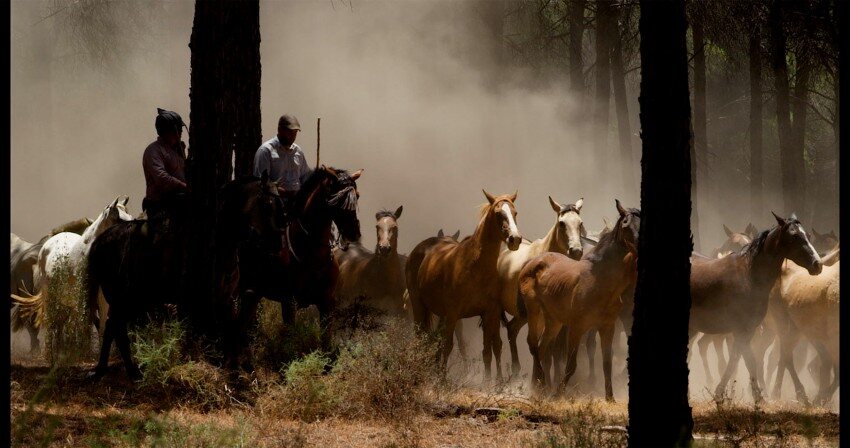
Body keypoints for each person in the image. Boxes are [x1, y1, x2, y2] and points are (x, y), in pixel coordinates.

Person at [142, 108, 189, 240]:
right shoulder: (153, 150)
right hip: (161, 204)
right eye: (177, 130)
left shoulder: (177, 150)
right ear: (167, 131)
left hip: (179, 200)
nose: (180, 133)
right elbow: (162, 178)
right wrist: (184, 186)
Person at [253, 114, 312, 205]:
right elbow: (260, 182)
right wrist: (283, 192)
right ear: (280, 130)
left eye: (295, 133)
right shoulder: (266, 151)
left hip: (296, 203)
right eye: (289, 132)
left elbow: (305, 177)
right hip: (274, 204)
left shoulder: (298, 152)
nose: (292, 136)